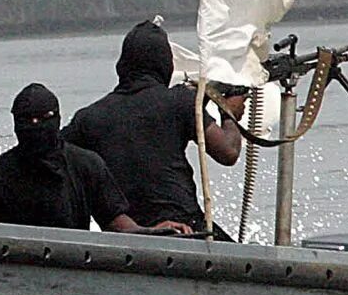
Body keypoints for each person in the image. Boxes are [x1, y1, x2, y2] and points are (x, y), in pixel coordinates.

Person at [63, 19, 246, 237]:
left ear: (122, 66)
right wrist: (229, 114)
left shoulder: (89, 118)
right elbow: (228, 153)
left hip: (126, 234)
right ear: (165, 65)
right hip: (185, 228)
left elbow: (52, 154)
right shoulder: (180, 102)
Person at [0, 83, 142, 231]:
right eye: (27, 120)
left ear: (57, 119)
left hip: (72, 259)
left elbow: (114, 220)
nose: (35, 126)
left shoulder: (85, 166)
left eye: (43, 119)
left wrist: (151, 232)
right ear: (15, 122)